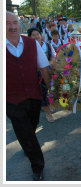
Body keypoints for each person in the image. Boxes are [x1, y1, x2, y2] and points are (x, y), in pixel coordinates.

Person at [6, 11, 51, 181]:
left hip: (34, 96)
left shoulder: (32, 43)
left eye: (15, 22)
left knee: (30, 127)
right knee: (25, 131)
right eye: (7, 23)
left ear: (20, 24)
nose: (12, 26)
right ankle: (38, 167)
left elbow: (44, 67)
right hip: (11, 99)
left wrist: (52, 92)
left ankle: (27, 144)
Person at [28, 28, 56, 123]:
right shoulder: (29, 48)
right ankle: (48, 113)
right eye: (33, 35)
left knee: (53, 90)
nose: (36, 36)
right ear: (30, 37)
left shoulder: (48, 46)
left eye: (38, 34)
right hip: (36, 75)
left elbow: (54, 57)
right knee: (43, 94)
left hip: (49, 72)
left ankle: (52, 104)